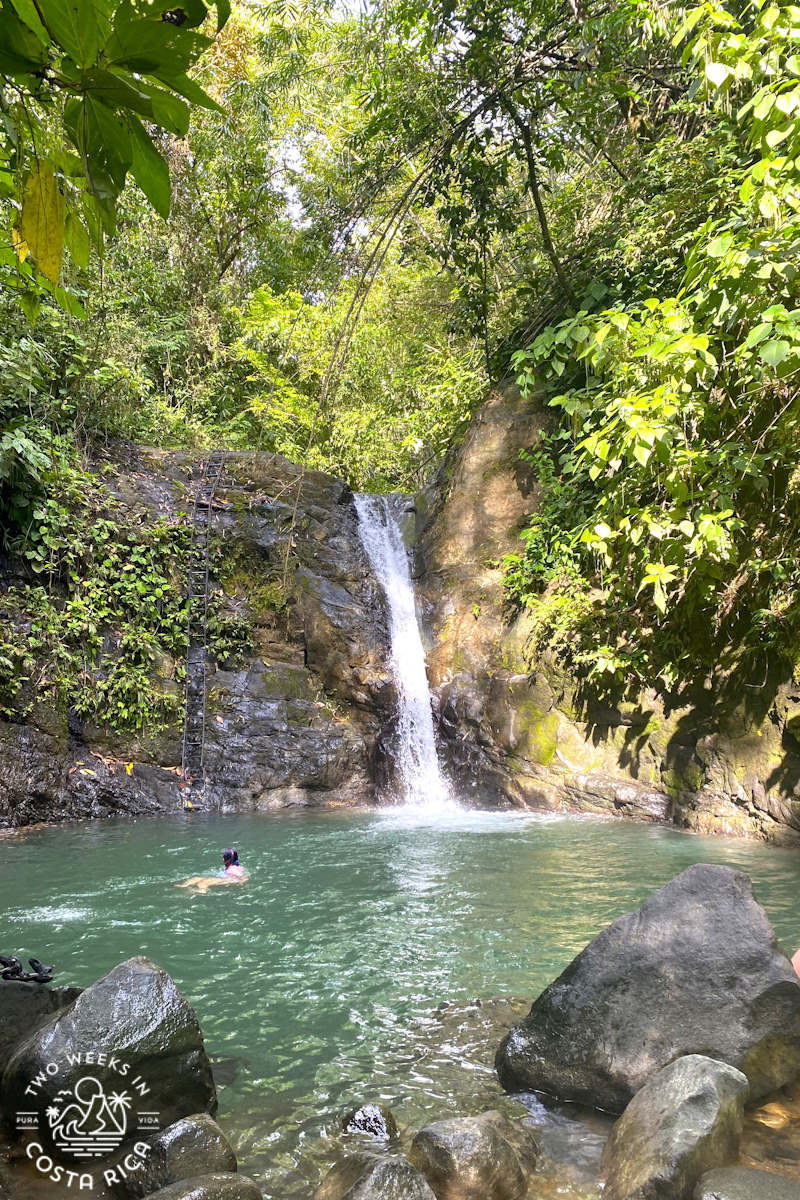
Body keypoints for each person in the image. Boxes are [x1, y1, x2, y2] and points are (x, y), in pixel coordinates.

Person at [177, 848, 247, 893]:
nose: (222, 859)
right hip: (225, 877)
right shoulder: (234, 867)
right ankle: (184, 885)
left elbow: (241, 876)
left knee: (203, 883)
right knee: (197, 878)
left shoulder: (233, 868)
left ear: (228, 859)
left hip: (228, 879)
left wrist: (241, 882)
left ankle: (202, 891)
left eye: (224, 858)